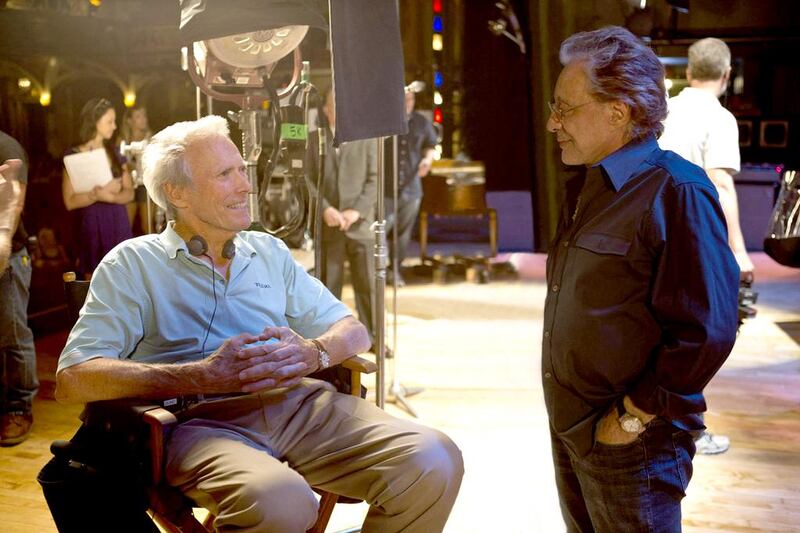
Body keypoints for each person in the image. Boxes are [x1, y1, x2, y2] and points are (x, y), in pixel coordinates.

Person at [55, 115, 463, 532]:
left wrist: (313, 353)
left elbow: (354, 330)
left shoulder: (267, 249)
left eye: (241, 171)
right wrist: (201, 376)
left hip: (300, 405)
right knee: (281, 502)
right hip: (198, 423)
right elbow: (74, 378)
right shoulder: (132, 263)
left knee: (435, 459)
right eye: (225, 174)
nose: (246, 185)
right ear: (177, 192)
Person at [543, 26, 739, 531]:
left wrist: (630, 417)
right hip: (575, 426)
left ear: (618, 111)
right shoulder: (588, 186)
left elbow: (707, 332)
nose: (552, 123)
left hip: (633, 441)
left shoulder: (677, 192)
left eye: (565, 108)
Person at [659, 37, 750, 456]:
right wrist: (738, 248)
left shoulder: (665, 109)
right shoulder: (719, 117)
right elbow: (721, 182)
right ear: (727, 75)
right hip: (695, 236)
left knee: (663, 330)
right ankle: (687, 427)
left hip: (654, 231)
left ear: (690, 70)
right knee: (702, 333)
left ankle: (663, 419)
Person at [307, 88, 378, 348]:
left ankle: (374, 338)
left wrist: (356, 210)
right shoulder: (314, 140)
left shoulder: (368, 140)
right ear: (326, 110)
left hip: (360, 224)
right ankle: (331, 343)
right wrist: (325, 209)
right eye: (335, 105)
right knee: (328, 288)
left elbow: (375, 179)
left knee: (368, 286)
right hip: (329, 225)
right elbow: (307, 182)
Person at [62, 98, 134, 279]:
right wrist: (97, 194)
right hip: (91, 223)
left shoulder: (115, 153)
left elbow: (129, 192)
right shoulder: (74, 155)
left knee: (123, 276)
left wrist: (109, 197)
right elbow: (69, 201)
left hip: (118, 220)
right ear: (95, 121)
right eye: (110, 121)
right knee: (94, 280)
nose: (114, 126)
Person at [0, 134, 38, 447]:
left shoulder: (7, 148)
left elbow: (14, 208)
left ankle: (19, 408)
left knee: (13, 334)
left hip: (9, 256)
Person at [385, 90, 438, 287]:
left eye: (411, 99)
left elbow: (430, 145)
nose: (408, 102)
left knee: (403, 233)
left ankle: (395, 271)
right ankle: (379, 272)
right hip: (386, 187)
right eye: (404, 98)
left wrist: (427, 160)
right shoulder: (385, 120)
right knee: (382, 229)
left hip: (411, 187)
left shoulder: (421, 122)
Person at [120, 104, 153, 235]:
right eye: (138, 116)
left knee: (148, 227)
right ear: (129, 121)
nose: (143, 119)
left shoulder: (151, 138)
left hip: (145, 186)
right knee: (126, 226)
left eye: (144, 115)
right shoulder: (123, 141)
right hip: (129, 186)